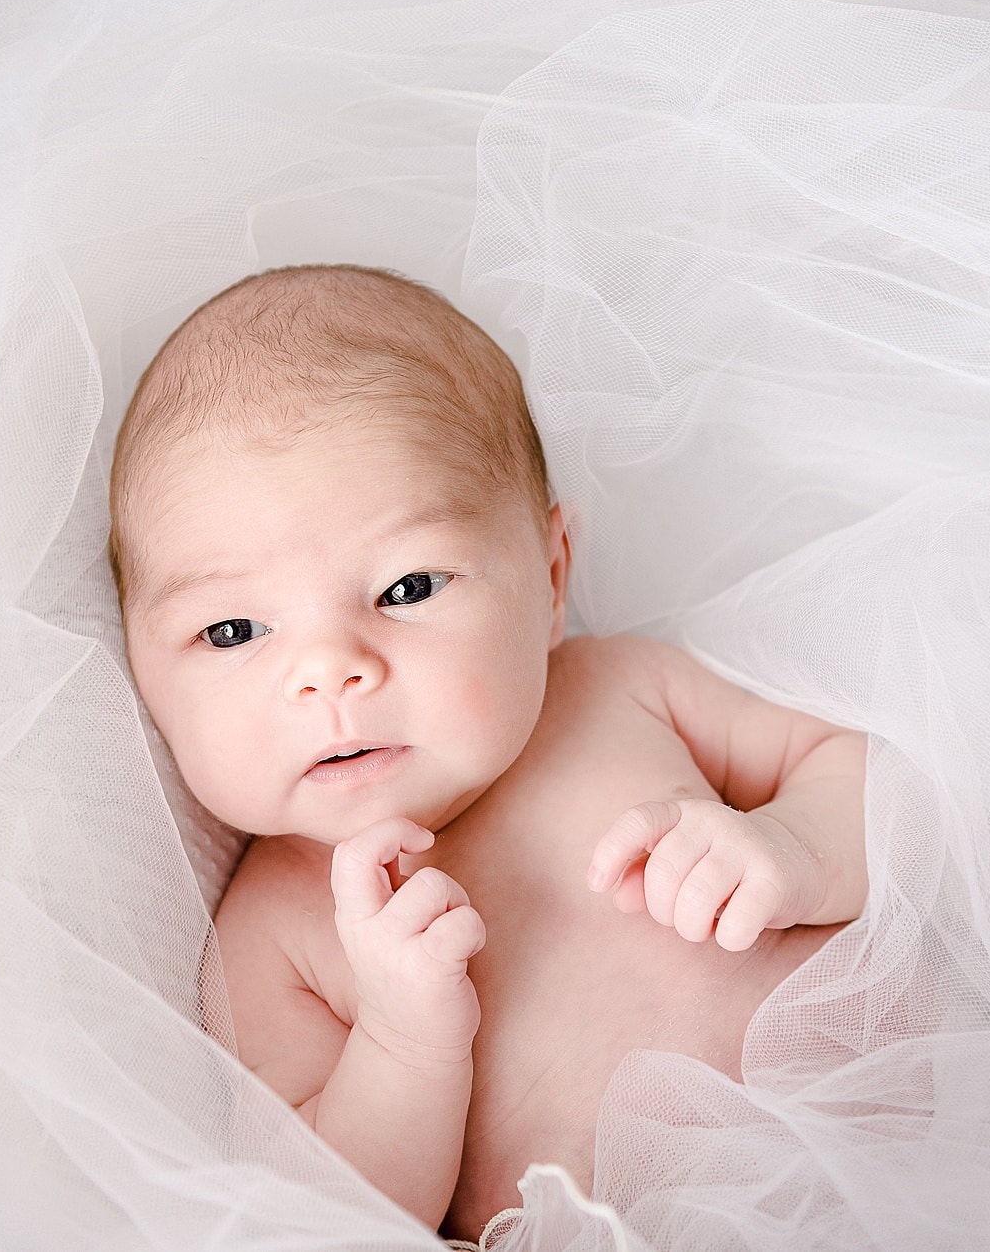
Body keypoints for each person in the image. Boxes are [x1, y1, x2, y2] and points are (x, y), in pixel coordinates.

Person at [111, 263, 869, 1241]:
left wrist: (799, 848)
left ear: (552, 581)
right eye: (232, 631)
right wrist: (400, 1040)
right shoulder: (276, 934)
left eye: (407, 587)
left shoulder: (618, 690)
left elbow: (866, 778)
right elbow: (323, 1216)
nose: (329, 671)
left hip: (933, 1116)